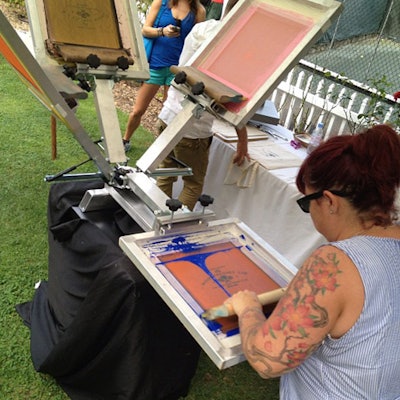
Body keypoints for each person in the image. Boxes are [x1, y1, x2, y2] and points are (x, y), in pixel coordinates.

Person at [225, 124, 400, 399]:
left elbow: (267, 359)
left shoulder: (336, 262)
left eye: (307, 203)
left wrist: (247, 307)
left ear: (329, 201)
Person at [156, 0, 249, 211]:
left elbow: (183, 70)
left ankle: (155, 222)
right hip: (193, 128)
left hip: (169, 113)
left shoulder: (203, 28)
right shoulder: (237, 45)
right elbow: (233, 98)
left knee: (165, 173)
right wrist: (242, 141)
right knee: (193, 183)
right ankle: (170, 229)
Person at [122, 0, 206, 151]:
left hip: (178, 70)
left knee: (167, 114)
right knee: (138, 111)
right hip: (155, 65)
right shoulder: (162, 2)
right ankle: (125, 140)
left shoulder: (199, 11)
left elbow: (199, 41)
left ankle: (161, 148)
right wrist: (162, 31)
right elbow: (145, 29)